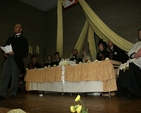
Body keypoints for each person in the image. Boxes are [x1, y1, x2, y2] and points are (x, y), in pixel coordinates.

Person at [0, 24, 28, 101]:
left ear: (21, 29)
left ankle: (12, 93)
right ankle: (2, 94)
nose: (15, 28)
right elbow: (5, 47)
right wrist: (4, 53)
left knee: (14, 77)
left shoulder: (24, 40)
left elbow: (25, 51)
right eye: (14, 27)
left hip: (16, 59)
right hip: (8, 58)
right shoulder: (10, 38)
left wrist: (15, 53)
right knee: (4, 76)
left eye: (17, 27)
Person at [117, 28, 141, 100]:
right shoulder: (137, 44)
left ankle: (133, 92)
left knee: (131, 67)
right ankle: (124, 91)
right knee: (121, 67)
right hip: (134, 61)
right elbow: (130, 52)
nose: (140, 35)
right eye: (139, 34)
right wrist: (135, 55)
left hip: (139, 63)